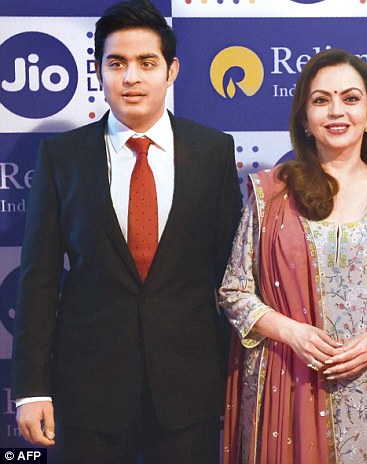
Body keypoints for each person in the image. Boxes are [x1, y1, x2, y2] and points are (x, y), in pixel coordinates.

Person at [10, 1, 242, 462]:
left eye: (146, 63)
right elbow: (37, 277)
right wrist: (31, 388)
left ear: (171, 70)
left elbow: (230, 272)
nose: (131, 77)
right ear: (99, 71)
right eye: (117, 63)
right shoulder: (63, 157)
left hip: (188, 392)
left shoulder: (213, 151)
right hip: (86, 392)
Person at [219, 48, 367, 463]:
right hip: (287, 379)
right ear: (305, 120)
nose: (336, 111)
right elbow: (234, 292)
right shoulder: (273, 192)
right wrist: (293, 333)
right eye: (321, 100)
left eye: (350, 99)